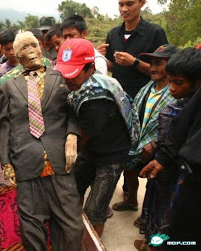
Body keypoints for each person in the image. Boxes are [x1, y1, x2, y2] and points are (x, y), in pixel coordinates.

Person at [0, 31, 83, 251]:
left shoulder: (60, 77)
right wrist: (6, 163)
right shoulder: (8, 86)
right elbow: (4, 126)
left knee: (70, 225)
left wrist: (72, 135)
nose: (30, 51)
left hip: (60, 160)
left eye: (33, 45)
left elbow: (73, 112)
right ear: (16, 55)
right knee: (31, 227)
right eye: (24, 48)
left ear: (41, 48)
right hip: (25, 161)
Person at [54, 38, 132, 237]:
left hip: (111, 157)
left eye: (73, 74)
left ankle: (92, 241)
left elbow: (82, 138)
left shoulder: (95, 97)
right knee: (74, 190)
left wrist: (57, 159)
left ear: (90, 68)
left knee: (94, 211)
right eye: (65, 73)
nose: (67, 79)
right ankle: (75, 231)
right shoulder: (81, 86)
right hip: (93, 148)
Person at [140, 48, 201, 251]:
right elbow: (178, 131)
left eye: (178, 83)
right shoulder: (185, 106)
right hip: (171, 170)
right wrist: (162, 156)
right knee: (164, 212)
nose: (172, 88)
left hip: (185, 175)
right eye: (171, 81)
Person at [112, 44, 178, 214]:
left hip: (160, 147)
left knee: (154, 182)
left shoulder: (175, 92)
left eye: (158, 64)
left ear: (172, 65)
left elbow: (176, 125)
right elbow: (135, 112)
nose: (153, 68)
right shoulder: (147, 87)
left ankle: (147, 215)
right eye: (152, 63)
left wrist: (155, 143)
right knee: (130, 172)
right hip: (138, 142)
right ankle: (132, 201)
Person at [98, 0, 168, 98]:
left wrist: (134, 62)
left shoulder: (155, 33)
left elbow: (164, 71)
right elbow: (113, 67)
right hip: (118, 98)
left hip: (145, 98)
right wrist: (97, 57)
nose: (124, 9)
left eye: (130, 4)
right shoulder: (113, 34)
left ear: (142, 3)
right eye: (121, 5)